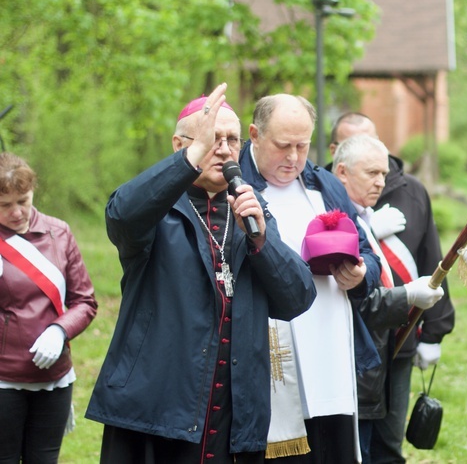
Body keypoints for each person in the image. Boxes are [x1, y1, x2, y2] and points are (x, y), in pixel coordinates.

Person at [85, 83, 317, 464]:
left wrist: (261, 243)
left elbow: (298, 297)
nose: (224, 149)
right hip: (157, 409)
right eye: (211, 139)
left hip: (233, 412)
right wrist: (191, 159)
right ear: (181, 145)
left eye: (231, 139)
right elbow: (121, 216)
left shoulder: (248, 210)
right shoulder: (155, 207)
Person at [238, 94, 381, 463]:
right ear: (254, 134)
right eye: (283, 145)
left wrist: (360, 274)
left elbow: (368, 253)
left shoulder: (324, 185)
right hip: (272, 352)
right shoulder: (235, 187)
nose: (293, 158)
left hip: (330, 350)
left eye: (302, 146)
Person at [329, 112, 455, 463]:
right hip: (354, 342)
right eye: (370, 171)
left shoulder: (411, 190)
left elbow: (431, 258)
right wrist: (363, 231)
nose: (379, 181)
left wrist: (434, 332)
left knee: (387, 444)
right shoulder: (321, 191)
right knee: (354, 444)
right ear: (338, 154)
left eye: (381, 168)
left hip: (399, 339)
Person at [0, 152, 98, 463]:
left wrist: (60, 330)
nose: (17, 213)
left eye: (23, 201)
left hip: (53, 376)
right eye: (5, 205)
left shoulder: (59, 232)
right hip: (2, 376)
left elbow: (85, 300)